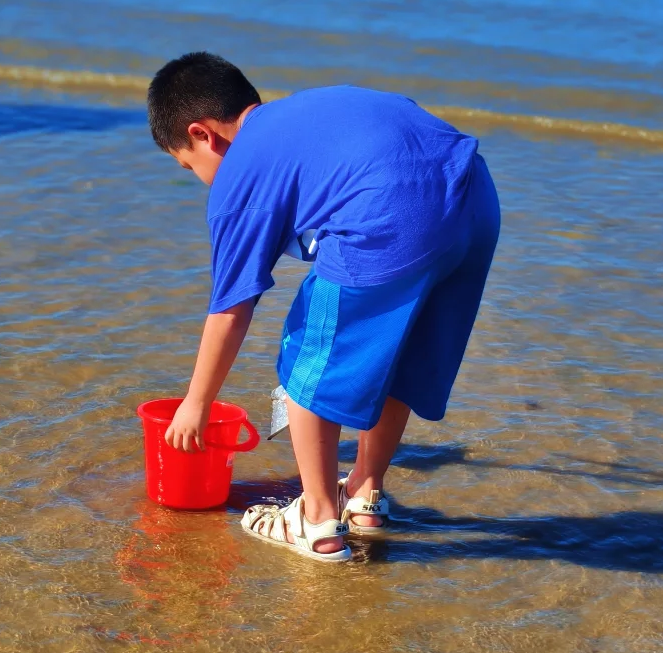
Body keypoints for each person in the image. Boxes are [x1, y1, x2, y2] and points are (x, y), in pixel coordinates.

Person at [147, 52, 501, 563]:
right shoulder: (301, 116)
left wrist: (196, 402)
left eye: (189, 165)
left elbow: (231, 305)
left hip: (390, 211)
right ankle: (365, 495)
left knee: (305, 359)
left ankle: (316, 522)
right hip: (474, 196)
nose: (201, 178)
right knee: (399, 350)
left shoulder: (241, 172)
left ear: (204, 134)